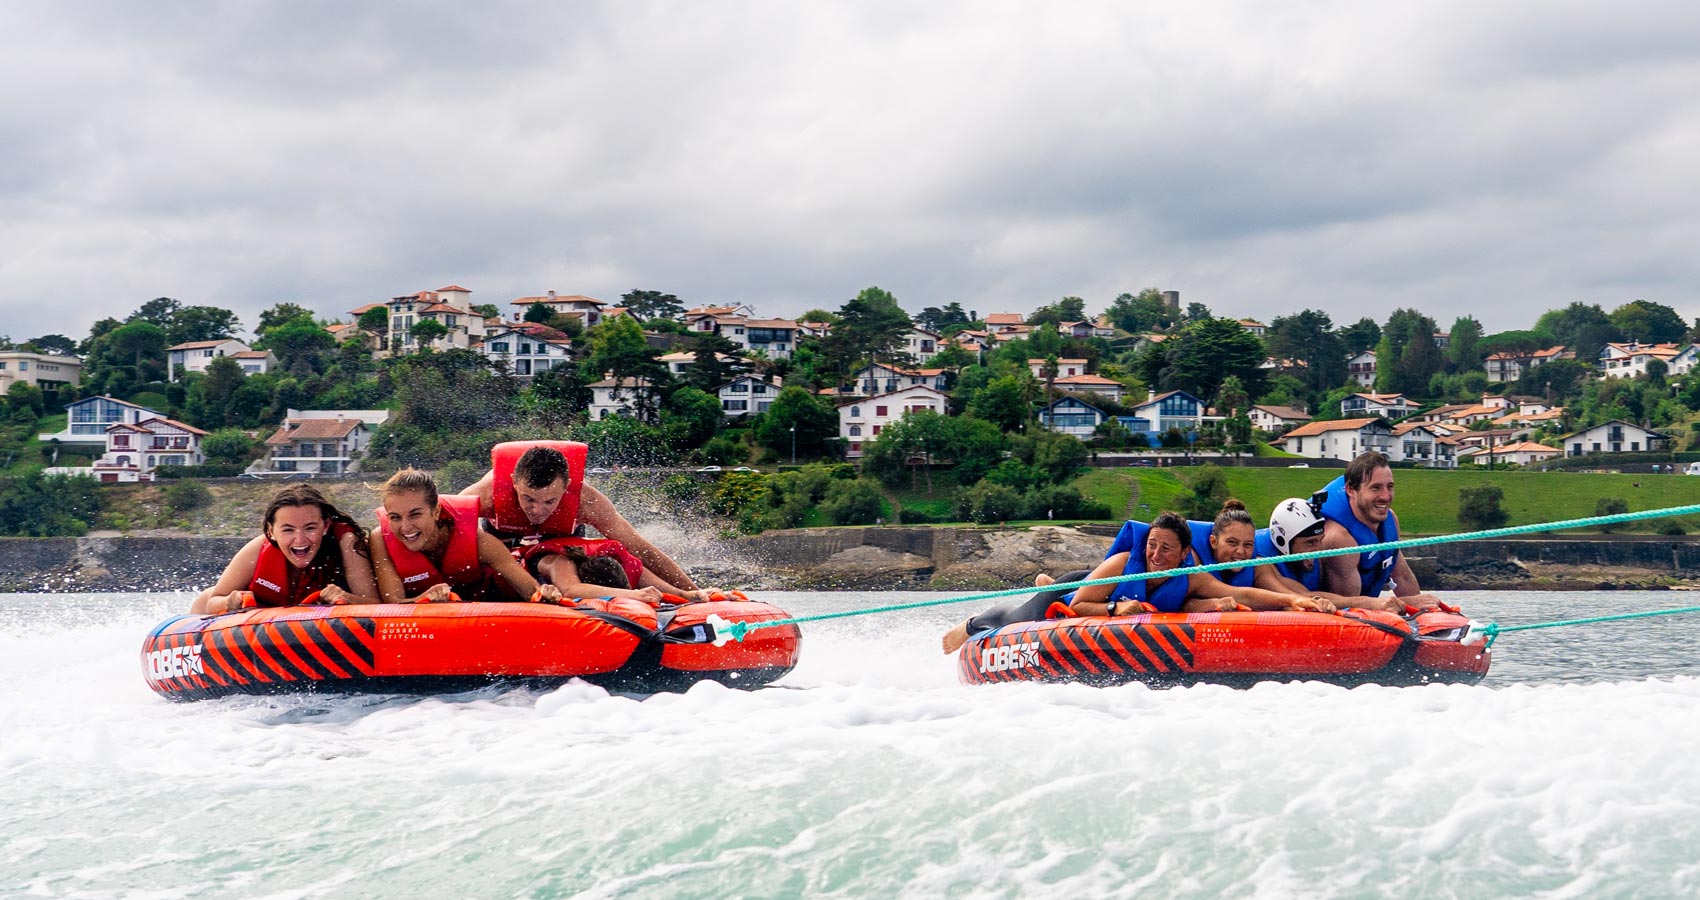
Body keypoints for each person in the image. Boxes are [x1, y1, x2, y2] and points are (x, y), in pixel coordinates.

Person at [940, 509, 1323, 653]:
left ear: (1186, 554)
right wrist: (1116, 608)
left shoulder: (1190, 577)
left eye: (1167, 549)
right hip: (1077, 592)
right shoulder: (1126, 561)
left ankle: (1046, 579)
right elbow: (1076, 607)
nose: (1156, 556)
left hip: (1098, 593)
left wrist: (1292, 603)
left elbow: (1239, 593)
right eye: (1153, 546)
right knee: (1015, 618)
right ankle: (971, 624)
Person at [459, 441, 706, 603]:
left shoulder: (586, 502)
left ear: (566, 488)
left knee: (616, 556)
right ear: (514, 482)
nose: (537, 510)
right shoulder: (485, 495)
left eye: (549, 501)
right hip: (504, 546)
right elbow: (440, 536)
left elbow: (641, 550)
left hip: (559, 548)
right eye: (528, 499)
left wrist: (693, 592)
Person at [370, 468, 562, 603]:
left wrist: (545, 593)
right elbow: (393, 603)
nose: (405, 527)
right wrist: (424, 598)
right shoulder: (380, 540)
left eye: (415, 514)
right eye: (395, 517)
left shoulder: (478, 542)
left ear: (436, 512)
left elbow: (531, 591)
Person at [190, 484, 378, 614]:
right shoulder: (256, 550)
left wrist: (347, 598)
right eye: (288, 530)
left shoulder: (347, 543)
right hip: (259, 618)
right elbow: (213, 602)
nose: (300, 539)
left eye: (310, 528)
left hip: (318, 624)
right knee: (205, 598)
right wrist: (229, 602)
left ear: (326, 525)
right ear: (272, 531)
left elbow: (376, 604)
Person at [1310, 451, 1440, 612]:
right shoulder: (1340, 539)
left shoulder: (1390, 520)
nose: (1385, 496)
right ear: (1351, 490)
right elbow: (1349, 609)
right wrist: (1408, 602)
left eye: (1390, 487)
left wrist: (1424, 611)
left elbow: (1402, 577)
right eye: (1376, 488)